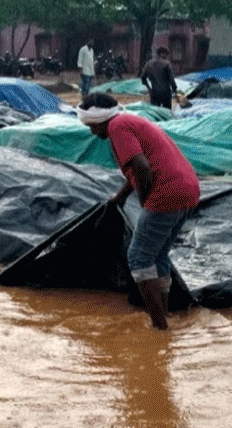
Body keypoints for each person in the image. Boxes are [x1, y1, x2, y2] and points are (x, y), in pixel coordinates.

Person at [77, 92, 200, 329]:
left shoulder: (117, 127)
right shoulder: (129, 120)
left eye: (89, 126)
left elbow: (142, 167)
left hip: (167, 192)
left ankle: (159, 327)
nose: (91, 132)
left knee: (139, 258)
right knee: (158, 256)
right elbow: (137, 168)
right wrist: (120, 197)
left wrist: (145, 201)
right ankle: (165, 317)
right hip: (188, 189)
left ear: (97, 120)